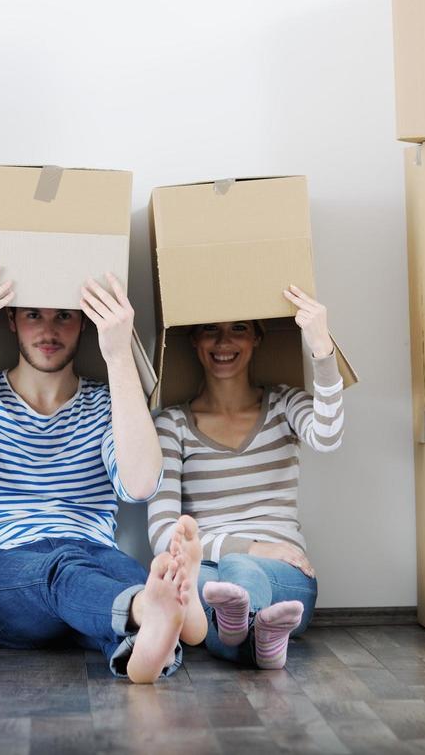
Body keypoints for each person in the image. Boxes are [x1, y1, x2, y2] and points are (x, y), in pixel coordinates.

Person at [0, 264, 204, 683]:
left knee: (129, 577)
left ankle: (144, 653)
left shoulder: (108, 403)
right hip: (8, 573)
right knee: (71, 570)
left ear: (84, 323)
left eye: (64, 316)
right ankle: (149, 612)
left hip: (95, 560)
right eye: (34, 314)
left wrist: (119, 353)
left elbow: (141, 486)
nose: (48, 330)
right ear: (12, 321)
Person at [148, 285, 346, 669]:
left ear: (256, 337)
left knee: (236, 578)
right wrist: (252, 546)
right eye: (210, 329)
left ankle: (240, 626)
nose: (223, 342)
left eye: (238, 327)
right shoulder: (172, 425)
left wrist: (321, 345)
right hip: (206, 570)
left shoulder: (285, 404)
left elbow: (328, 436)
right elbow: (162, 536)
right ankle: (262, 640)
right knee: (215, 583)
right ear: (193, 339)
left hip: (285, 574)